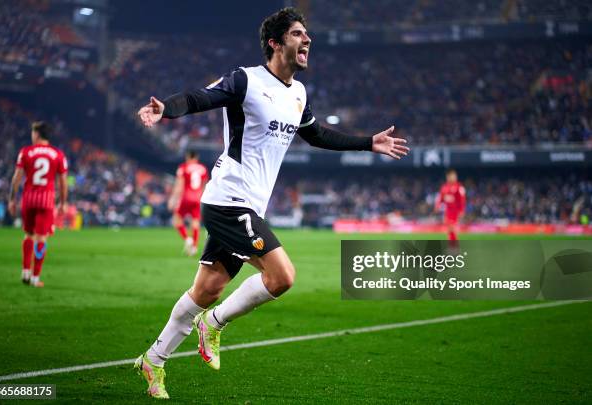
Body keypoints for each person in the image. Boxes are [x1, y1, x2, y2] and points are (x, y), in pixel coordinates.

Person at [134, 7, 409, 399]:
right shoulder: (245, 80)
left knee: (207, 288)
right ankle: (213, 324)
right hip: (229, 199)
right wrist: (168, 109)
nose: (307, 40)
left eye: (307, 34)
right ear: (275, 43)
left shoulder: (298, 93)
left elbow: (317, 136)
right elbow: (201, 98)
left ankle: (154, 361)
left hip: (249, 206)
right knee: (282, 276)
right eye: (298, 34)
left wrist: (369, 142)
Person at [8, 121, 68, 288]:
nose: (31, 136)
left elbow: (16, 178)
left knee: (28, 235)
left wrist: (12, 199)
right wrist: (63, 203)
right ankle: (35, 277)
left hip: (28, 199)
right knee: (41, 238)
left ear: (37, 134)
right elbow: (63, 182)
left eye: (33, 133)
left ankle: (25, 272)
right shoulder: (57, 154)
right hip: (46, 201)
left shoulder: (26, 152)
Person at [168, 150, 208, 255]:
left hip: (186, 197)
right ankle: (194, 247)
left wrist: (173, 199)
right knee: (195, 222)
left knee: (176, 219)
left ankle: (187, 239)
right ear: (196, 157)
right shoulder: (203, 169)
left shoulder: (183, 167)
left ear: (187, 157)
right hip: (198, 198)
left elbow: (179, 185)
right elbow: (204, 185)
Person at [435, 169, 466, 247]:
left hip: (455, 211)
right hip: (448, 211)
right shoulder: (444, 187)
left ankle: (454, 246)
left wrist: (462, 211)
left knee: (452, 228)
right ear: (448, 177)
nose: (454, 177)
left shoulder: (459, 187)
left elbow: (462, 200)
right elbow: (440, 198)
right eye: (451, 176)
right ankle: (452, 245)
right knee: (449, 229)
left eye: (454, 176)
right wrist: (437, 206)